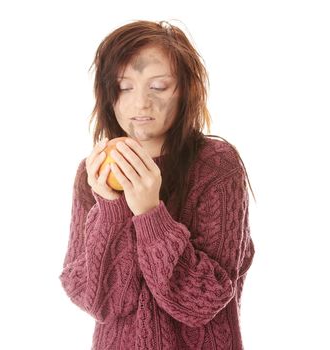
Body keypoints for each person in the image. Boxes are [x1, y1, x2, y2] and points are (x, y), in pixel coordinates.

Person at [59, 19, 255, 350]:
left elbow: (202, 303)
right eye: (123, 87)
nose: (140, 104)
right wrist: (112, 208)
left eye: (159, 86)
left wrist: (150, 214)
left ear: (185, 90)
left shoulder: (217, 165)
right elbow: (96, 300)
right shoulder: (92, 173)